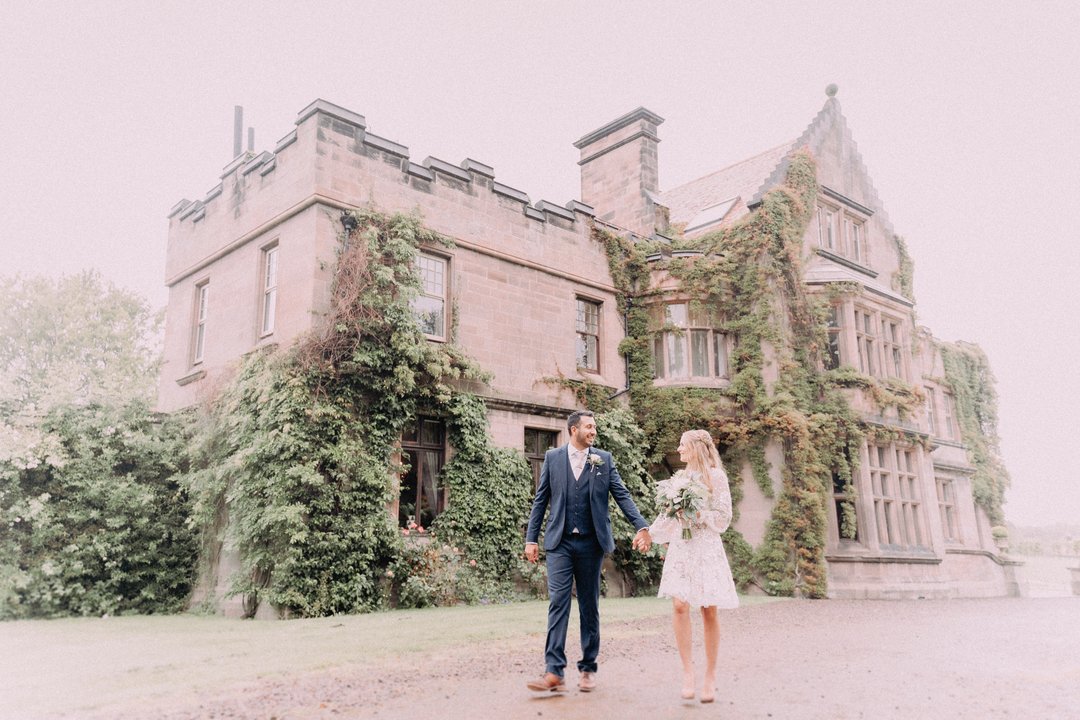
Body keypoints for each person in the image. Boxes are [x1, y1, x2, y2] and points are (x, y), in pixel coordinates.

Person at [523, 410, 652, 694]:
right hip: (560, 543)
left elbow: (622, 495)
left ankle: (588, 669)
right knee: (558, 601)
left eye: (594, 427)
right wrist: (531, 538)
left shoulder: (603, 460)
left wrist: (641, 526)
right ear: (573, 430)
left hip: (591, 544)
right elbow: (540, 500)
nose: (593, 431)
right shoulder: (553, 458)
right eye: (589, 426)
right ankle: (554, 671)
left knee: (589, 606)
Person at [652, 429, 739, 704]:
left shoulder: (716, 476)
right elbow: (668, 517)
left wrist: (698, 514)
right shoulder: (680, 479)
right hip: (682, 547)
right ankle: (688, 672)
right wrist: (648, 534)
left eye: (682, 445)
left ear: (697, 448)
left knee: (708, 610)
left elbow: (724, 517)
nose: (678, 450)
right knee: (679, 604)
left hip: (706, 546)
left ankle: (710, 676)